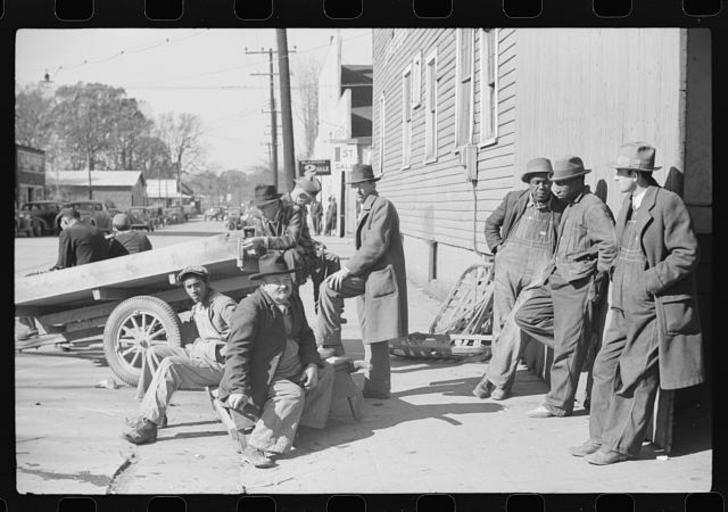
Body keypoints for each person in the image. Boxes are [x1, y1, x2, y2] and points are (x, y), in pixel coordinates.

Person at [569, 142, 704, 465]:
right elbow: (620, 247)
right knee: (604, 368)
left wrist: (649, 281)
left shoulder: (667, 203)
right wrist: (611, 271)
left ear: (636, 174)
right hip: (622, 304)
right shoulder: (629, 203)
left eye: (621, 172)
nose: (616, 177)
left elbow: (687, 253)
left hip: (651, 306)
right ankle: (601, 436)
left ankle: (621, 445)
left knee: (637, 374)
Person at [512, 156, 617, 418]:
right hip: (557, 278)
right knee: (526, 315)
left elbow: (610, 246)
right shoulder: (571, 205)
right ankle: (580, 344)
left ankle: (558, 404)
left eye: (562, 183)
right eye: (555, 182)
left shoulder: (593, 207)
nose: (555, 188)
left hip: (577, 284)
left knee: (567, 347)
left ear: (579, 180)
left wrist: (596, 276)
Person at [216, 253, 335, 468]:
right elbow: (237, 350)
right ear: (263, 284)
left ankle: (299, 428)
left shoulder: (293, 299)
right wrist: (239, 388)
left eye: (286, 280)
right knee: (293, 394)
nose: (283, 286)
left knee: (326, 371)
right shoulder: (250, 307)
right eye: (276, 281)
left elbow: (306, 333)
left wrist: (310, 364)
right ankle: (256, 446)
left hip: (293, 366)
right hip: (265, 374)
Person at [472, 158, 564, 400]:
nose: (542, 187)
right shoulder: (514, 199)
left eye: (546, 183)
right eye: (537, 182)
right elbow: (491, 224)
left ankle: (492, 378)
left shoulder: (560, 209)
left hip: (538, 273)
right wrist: (498, 248)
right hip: (508, 268)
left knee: (517, 323)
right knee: (502, 325)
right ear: (529, 183)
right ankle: (504, 384)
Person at [315, 164, 408, 399]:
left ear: (372, 184)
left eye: (361, 186)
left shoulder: (382, 206)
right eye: (354, 187)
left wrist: (347, 270)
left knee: (376, 334)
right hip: (368, 275)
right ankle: (330, 343)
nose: (357, 191)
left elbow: (375, 245)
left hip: (379, 277)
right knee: (330, 290)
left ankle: (376, 388)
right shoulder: (368, 206)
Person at [122, 265, 237, 444]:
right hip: (201, 355)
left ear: (206, 283)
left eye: (197, 285)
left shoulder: (223, 304)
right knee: (154, 352)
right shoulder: (199, 305)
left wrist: (223, 350)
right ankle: (149, 414)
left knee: (171, 365)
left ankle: (149, 426)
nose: (193, 290)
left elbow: (245, 335)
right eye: (188, 287)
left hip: (222, 366)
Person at [242, 184, 318, 289]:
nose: (261, 211)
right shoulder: (259, 217)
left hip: (302, 257)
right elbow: (261, 246)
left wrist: (263, 241)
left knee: (290, 254)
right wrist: (253, 248)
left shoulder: (294, 212)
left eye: (264, 207)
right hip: (276, 255)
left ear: (275, 203)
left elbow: (291, 240)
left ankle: (292, 290)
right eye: (258, 207)